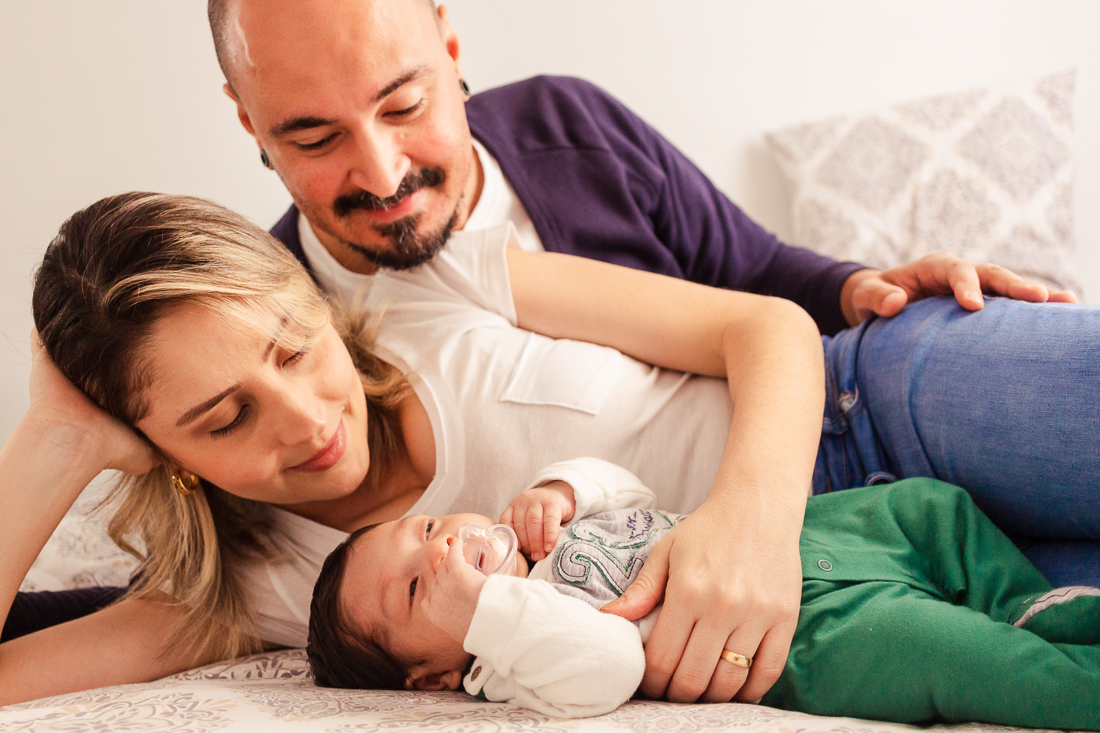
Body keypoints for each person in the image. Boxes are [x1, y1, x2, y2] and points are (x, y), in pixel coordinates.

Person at [203, 0, 1086, 704]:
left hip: (862, 396)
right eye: (314, 138)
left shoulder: (563, 124)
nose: (383, 170)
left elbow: (756, 273)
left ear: (449, 42)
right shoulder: (273, 341)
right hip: (838, 571)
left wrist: (857, 286)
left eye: (405, 104)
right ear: (249, 126)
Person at [306, 457, 1100, 728]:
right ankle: (1065, 673)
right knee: (945, 651)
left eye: (430, 526)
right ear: (434, 675)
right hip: (804, 640)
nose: (443, 551)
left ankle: (1031, 605)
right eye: (417, 588)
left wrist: (565, 486)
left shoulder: (539, 525)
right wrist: (483, 612)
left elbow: (632, 485)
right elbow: (611, 662)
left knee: (929, 505)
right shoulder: (511, 665)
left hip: (800, 536)